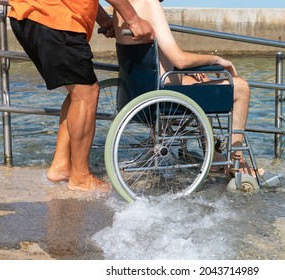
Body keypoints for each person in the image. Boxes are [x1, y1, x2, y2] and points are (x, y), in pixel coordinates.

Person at [8, 0, 155, 192]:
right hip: (55, 18)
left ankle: (61, 166)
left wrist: (103, 19)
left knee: (78, 92)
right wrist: (134, 20)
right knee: (87, 94)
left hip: (34, 15)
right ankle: (81, 178)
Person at [111, 0, 259, 176]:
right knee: (241, 87)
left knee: (199, 81)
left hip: (136, 96)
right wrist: (216, 59)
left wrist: (187, 73)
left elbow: (153, 61)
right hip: (163, 99)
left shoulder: (121, 10)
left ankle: (213, 155)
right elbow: (180, 59)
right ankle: (237, 161)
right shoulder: (149, 3)